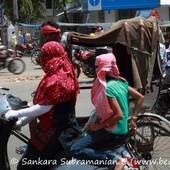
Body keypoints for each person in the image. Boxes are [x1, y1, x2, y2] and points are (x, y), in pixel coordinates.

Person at [5, 22, 80, 169]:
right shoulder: (63, 68)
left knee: (26, 165)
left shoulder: (58, 77)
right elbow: (45, 105)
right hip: (58, 124)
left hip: (59, 130)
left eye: (43, 56)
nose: (41, 59)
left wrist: (16, 114)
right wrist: (20, 122)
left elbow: (45, 107)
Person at [70, 53, 144, 170]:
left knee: (76, 149)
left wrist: (98, 127)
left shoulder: (108, 88)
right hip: (123, 130)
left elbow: (118, 115)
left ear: (102, 69)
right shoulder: (122, 83)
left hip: (113, 132)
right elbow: (140, 98)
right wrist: (133, 120)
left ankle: (114, 160)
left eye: (96, 67)